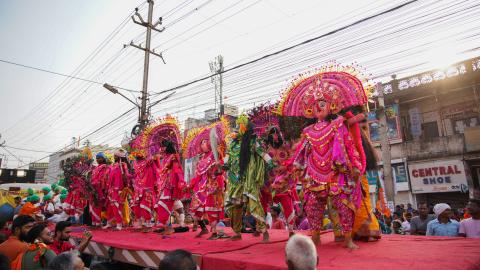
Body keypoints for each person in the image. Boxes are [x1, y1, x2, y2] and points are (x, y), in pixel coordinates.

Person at [225, 116, 273, 242]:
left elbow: (262, 153)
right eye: (237, 125)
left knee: (254, 204)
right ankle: (236, 233)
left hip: (248, 179)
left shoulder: (252, 141)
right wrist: (224, 165)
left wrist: (271, 162)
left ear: (246, 127)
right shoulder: (233, 143)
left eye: (240, 125)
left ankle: (264, 231)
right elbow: (228, 157)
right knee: (235, 206)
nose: (238, 127)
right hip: (235, 179)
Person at [90, 152, 110, 227]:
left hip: (101, 189)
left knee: (99, 206)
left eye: (99, 158)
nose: (98, 159)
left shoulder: (105, 167)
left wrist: (97, 184)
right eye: (97, 158)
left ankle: (99, 222)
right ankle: (94, 222)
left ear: (103, 158)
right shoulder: (95, 168)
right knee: (94, 206)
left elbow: (104, 178)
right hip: (94, 189)